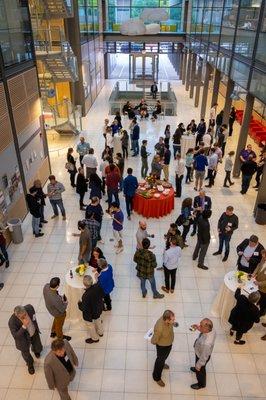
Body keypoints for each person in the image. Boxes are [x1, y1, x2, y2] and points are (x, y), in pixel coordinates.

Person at [8, 305, 43, 375]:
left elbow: (34, 318)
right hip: (23, 340)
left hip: (33, 332)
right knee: (26, 355)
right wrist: (23, 326)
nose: (25, 317)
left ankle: (36, 351)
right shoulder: (12, 322)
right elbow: (15, 336)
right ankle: (30, 365)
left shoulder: (29, 308)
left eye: (25, 314)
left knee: (37, 344)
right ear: (16, 315)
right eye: (22, 317)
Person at [151, 310, 176, 387]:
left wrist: (173, 323)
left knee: (164, 357)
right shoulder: (159, 327)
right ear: (166, 320)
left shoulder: (168, 320)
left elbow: (171, 324)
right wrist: (154, 340)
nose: (174, 321)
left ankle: (163, 363)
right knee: (159, 361)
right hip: (162, 346)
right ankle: (156, 377)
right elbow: (154, 340)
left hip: (168, 343)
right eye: (172, 320)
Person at [190, 318, 216, 390]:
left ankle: (201, 384)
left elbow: (204, 357)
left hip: (201, 356)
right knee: (198, 366)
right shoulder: (212, 329)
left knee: (201, 370)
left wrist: (198, 365)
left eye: (201, 326)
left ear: (206, 329)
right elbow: (204, 330)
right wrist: (198, 328)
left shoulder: (207, 343)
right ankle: (196, 368)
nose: (199, 326)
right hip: (199, 352)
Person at [78, 275, 104, 344]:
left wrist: (79, 304)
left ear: (84, 284)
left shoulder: (85, 296)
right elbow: (102, 295)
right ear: (92, 281)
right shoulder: (98, 286)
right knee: (98, 320)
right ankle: (100, 332)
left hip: (90, 313)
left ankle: (95, 338)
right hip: (98, 309)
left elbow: (84, 308)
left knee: (90, 326)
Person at [252, 250, 266, 316]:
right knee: (259, 298)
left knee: (263, 302)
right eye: (262, 256)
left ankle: (261, 312)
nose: (262, 258)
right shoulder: (263, 259)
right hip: (258, 283)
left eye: (264, 257)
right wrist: (254, 273)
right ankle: (258, 303)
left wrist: (258, 283)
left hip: (264, 289)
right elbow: (258, 266)